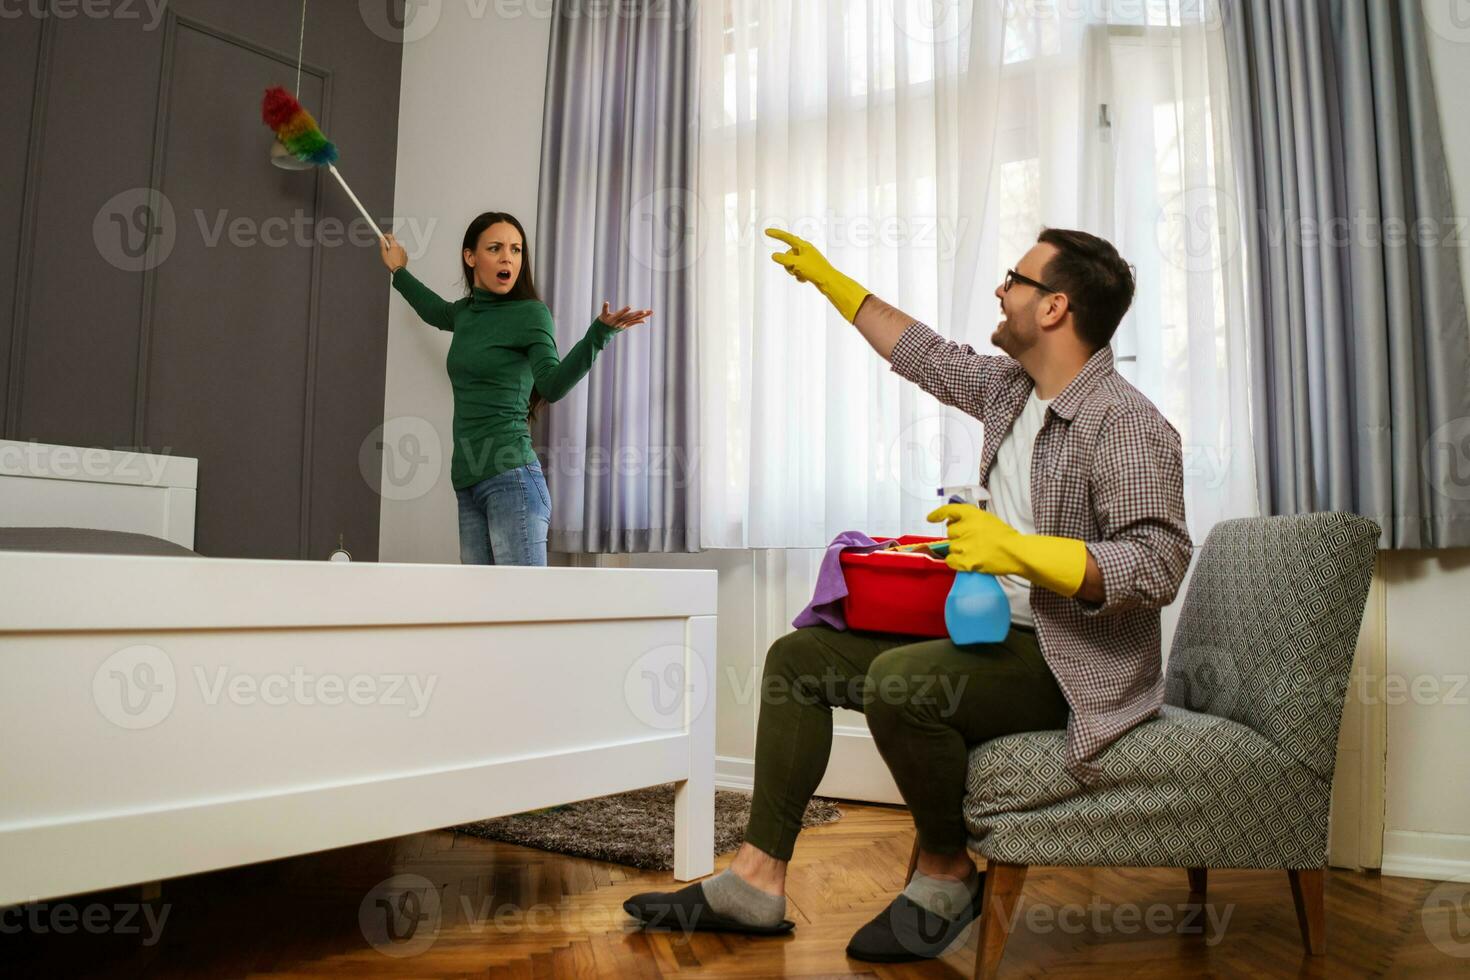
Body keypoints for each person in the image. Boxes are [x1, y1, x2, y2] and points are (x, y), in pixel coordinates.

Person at [624, 226, 1191, 962]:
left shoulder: (1126, 423)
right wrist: (833, 283)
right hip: (994, 640)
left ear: (1055, 308)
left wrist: (1019, 550)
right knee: (799, 659)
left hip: (1069, 665)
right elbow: (923, 353)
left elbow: (1159, 563)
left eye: (1013, 279)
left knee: (900, 682)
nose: (1000, 289)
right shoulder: (1011, 392)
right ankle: (756, 881)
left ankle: (948, 870)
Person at [380, 212, 651, 565]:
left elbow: (551, 386)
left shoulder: (530, 314)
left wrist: (597, 335)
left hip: (512, 479)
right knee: (483, 613)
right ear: (471, 257)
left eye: (516, 249)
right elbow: (433, 310)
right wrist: (398, 271)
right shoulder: (465, 314)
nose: (509, 257)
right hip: (467, 482)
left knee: (522, 609)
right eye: (495, 248)